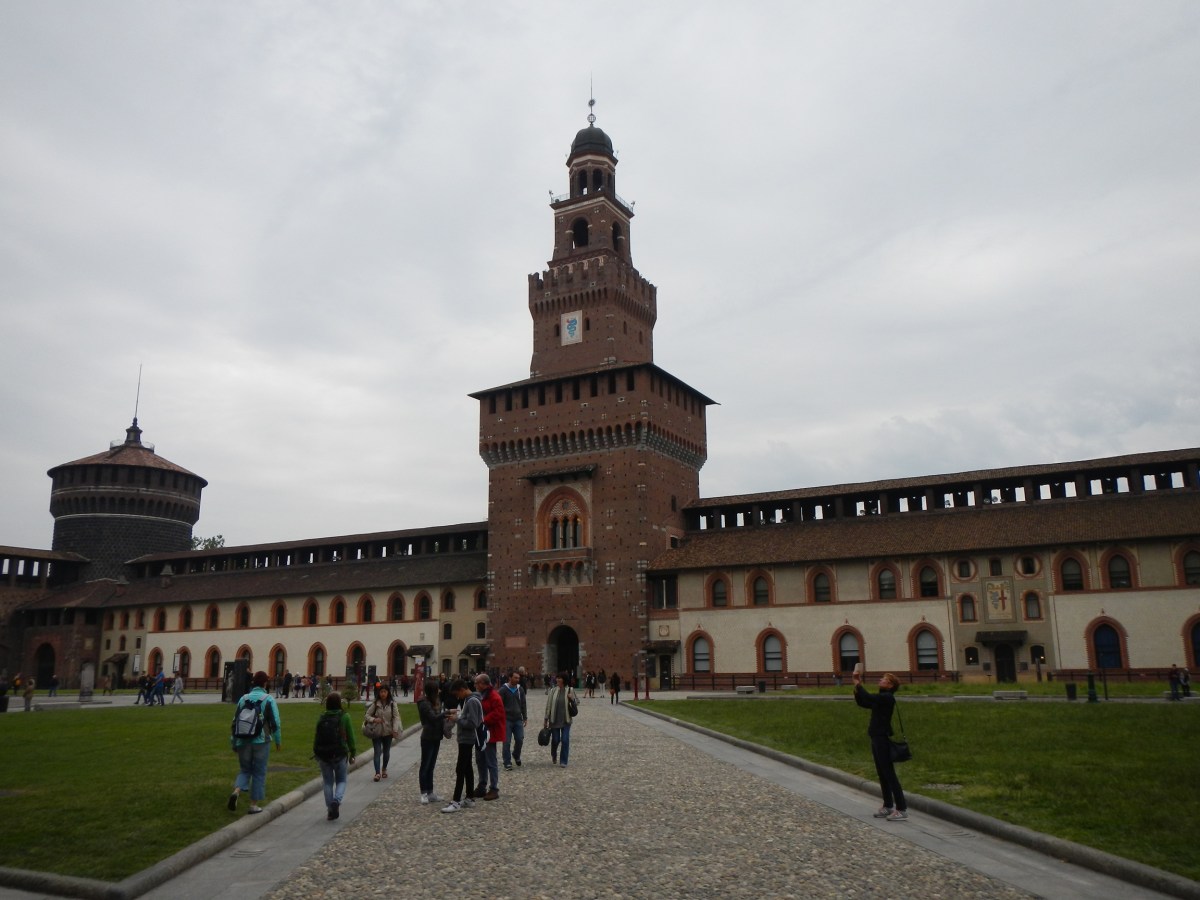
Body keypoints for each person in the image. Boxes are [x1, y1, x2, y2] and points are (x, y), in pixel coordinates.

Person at [852, 670, 907, 821]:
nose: (880, 680)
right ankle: (888, 805)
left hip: (882, 738)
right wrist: (857, 688)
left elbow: (868, 697)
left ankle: (901, 808)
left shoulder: (887, 698)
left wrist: (858, 683)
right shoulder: (881, 698)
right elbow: (863, 702)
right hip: (876, 737)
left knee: (889, 773)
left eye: (883, 679)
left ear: (890, 685)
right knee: (882, 773)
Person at [228, 670, 282, 815]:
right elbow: (275, 722)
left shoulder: (243, 698)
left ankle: (236, 791)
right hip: (261, 741)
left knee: (245, 769)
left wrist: (234, 742)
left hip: (243, 740)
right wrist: (278, 740)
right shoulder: (268, 699)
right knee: (259, 772)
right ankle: (253, 805)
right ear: (265, 683)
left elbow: (235, 722)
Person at [313, 691, 356, 820]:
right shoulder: (345, 717)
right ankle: (336, 801)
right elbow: (351, 737)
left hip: (323, 754)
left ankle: (330, 809)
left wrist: (316, 752)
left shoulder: (322, 717)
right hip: (340, 753)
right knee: (341, 780)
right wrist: (353, 752)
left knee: (327, 782)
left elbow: (316, 736)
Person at [441, 678, 482, 813]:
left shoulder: (472, 701)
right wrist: (459, 715)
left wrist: (457, 719)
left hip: (467, 739)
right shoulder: (469, 700)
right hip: (465, 739)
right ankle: (469, 797)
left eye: (457, 694)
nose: (457, 697)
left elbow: (473, 723)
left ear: (462, 690)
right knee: (467, 768)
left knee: (460, 769)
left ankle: (456, 800)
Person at [473, 673, 506, 800]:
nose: (475, 685)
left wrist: (482, 720)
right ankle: (482, 786)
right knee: (480, 760)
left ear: (484, 684)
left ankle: (494, 788)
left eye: (477, 683)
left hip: (489, 733)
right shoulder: (481, 695)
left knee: (491, 761)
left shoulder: (494, 697)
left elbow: (498, 713)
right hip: (480, 732)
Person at [417, 682, 447, 805]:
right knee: (425, 765)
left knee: (431, 766)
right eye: (437, 690)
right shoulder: (424, 703)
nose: (439, 691)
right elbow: (432, 718)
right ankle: (424, 792)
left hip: (436, 736)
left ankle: (430, 791)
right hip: (428, 737)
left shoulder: (435, 701)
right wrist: (445, 713)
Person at [364, 685, 402, 782]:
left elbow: (396, 717)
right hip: (376, 731)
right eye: (381, 692)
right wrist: (374, 719)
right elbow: (367, 715)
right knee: (377, 752)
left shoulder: (393, 704)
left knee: (386, 752)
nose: (383, 694)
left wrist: (394, 730)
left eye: (385, 692)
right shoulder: (376, 704)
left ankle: (384, 768)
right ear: (379, 693)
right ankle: (377, 773)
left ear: (388, 692)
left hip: (388, 732)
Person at [543, 673, 576, 767]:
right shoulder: (552, 691)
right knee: (555, 740)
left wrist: (572, 699)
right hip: (554, 720)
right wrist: (546, 719)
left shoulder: (570, 690)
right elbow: (548, 705)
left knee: (565, 740)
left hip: (566, 720)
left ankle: (563, 761)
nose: (557, 680)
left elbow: (577, 702)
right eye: (557, 678)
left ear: (564, 680)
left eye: (559, 678)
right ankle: (554, 754)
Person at [501, 670, 527, 770]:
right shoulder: (503, 689)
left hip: (517, 719)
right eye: (515, 678)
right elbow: (499, 704)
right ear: (510, 678)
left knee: (520, 739)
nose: (517, 680)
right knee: (506, 741)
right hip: (506, 719)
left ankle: (516, 754)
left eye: (518, 678)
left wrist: (525, 717)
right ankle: (507, 762)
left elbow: (523, 704)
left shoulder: (520, 689)